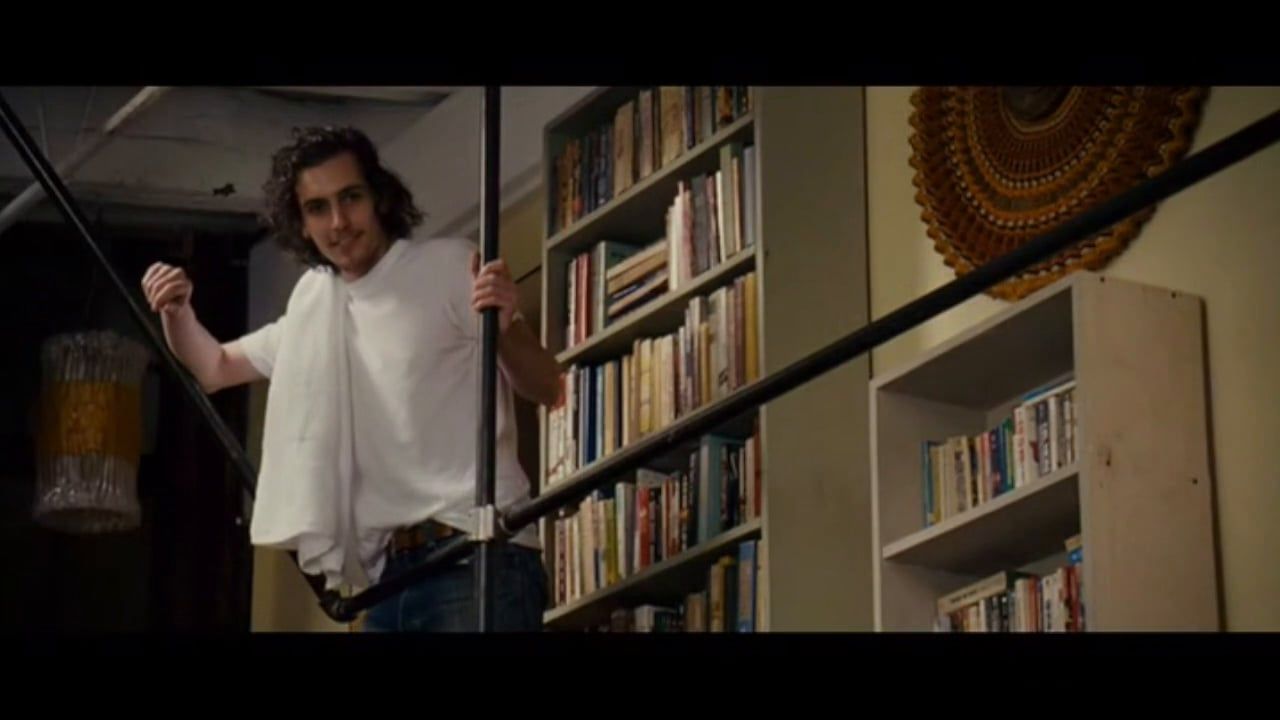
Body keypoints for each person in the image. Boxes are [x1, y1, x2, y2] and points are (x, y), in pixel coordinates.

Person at [140, 126, 562, 632]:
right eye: (318, 208)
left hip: (476, 552)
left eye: (350, 198)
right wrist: (177, 313)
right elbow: (214, 368)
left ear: (378, 196)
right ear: (301, 223)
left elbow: (548, 387)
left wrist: (506, 325)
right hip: (387, 579)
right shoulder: (314, 313)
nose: (338, 222)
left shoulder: (448, 265)